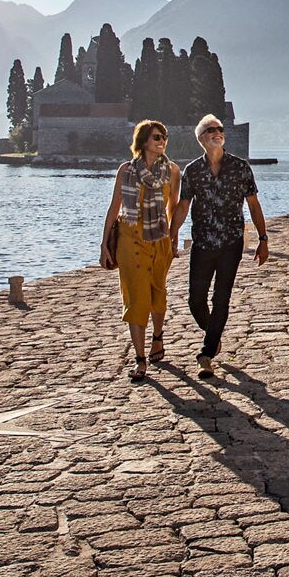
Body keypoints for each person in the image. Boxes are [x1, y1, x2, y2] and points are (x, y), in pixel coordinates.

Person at [169, 112, 268, 378]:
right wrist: (171, 235)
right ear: (202, 138)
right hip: (202, 243)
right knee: (195, 300)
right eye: (212, 129)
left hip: (231, 242)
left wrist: (263, 239)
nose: (218, 132)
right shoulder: (192, 171)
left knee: (221, 297)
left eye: (220, 129)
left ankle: (206, 353)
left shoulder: (240, 167)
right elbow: (182, 206)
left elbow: (254, 204)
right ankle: (214, 334)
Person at [101, 120, 181, 382]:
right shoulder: (125, 170)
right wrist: (104, 244)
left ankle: (157, 336)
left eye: (164, 136)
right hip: (130, 237)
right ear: (143, 141)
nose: (162, 141)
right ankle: (140, 358)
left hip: (159, 239)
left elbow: (174, 207)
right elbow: (115, 207)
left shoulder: (172, 171)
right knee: (136, 298)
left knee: (158, 293)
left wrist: (174, 236)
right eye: (157, 136)